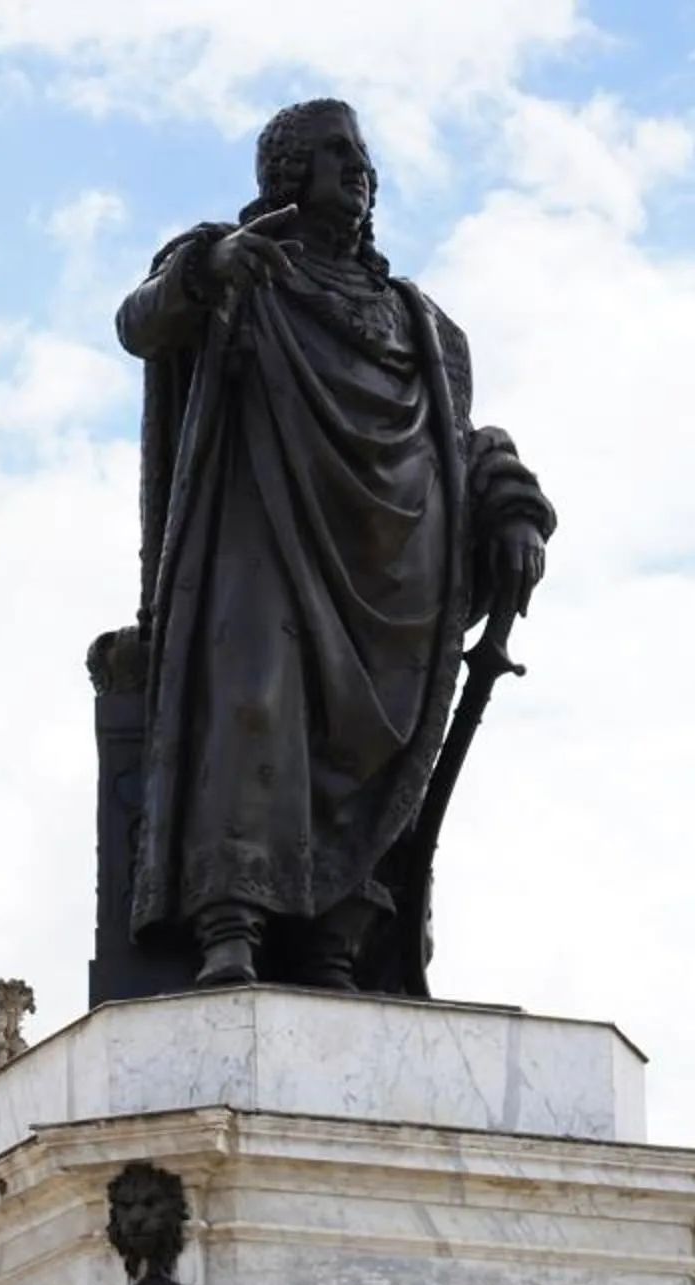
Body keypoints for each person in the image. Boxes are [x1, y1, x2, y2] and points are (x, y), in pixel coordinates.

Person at [115, 98, 554, 994]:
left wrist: (511, 501)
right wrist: (208, 272)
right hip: (262, 527)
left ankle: (336, 942)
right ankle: (229, 922)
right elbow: (140, 322)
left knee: (374, 746)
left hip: (395, 568)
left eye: (361, 155)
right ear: (286, 174)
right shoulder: (236, 266)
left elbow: (456, 442)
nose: (357, 169)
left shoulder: (420, 322)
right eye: (333, 153)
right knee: (250, 709)